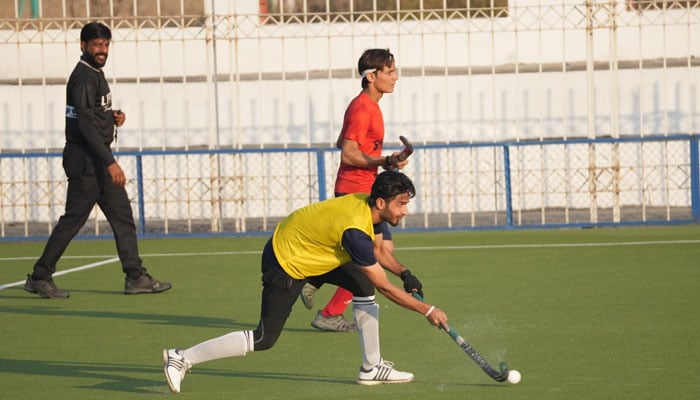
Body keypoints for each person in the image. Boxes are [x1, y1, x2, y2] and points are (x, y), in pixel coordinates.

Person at [162, 171, 449, 394]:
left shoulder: (368, 205)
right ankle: (181, 357)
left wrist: (405, 272)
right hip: (286, 260)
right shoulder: (354, 229)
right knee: (264, 338)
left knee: (363, 286)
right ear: (382, 203)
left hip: (314, 251)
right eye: (401, 205)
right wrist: (427, 309)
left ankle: (371, 368)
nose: (404, 211)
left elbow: (376, 252)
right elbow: (385, 287)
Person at [22, 22, 171, 299]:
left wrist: (113, 117)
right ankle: (40, 276)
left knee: (123, 217)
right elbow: (84, 124)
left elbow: (93, 114)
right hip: (87, 160)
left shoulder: (95, 74)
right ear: (83, 46)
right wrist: (110, 162)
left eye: (105, 45)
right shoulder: (83, 77)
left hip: (98, 159)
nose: (102, 50)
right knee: (73, 220)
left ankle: (135, 276)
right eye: (96, 45)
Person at [300, 48, 421, 332]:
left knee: (382, 249)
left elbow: (344, 140)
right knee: (373, 257)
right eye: (389, 72)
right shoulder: (364, 108)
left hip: (363, 188)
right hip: (356, 193)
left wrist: (386, 163)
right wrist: (383, 161)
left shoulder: (368, 107)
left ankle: (319, 292)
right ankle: (319, 293)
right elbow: (347, 153)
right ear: (371, 76)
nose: (395, 77)